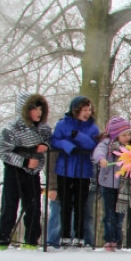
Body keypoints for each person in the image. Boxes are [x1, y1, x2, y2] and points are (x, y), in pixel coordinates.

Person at [0, 93, 51, 249]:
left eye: (40, 108)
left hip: (33, 173)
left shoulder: (44, 128)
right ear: (25, 110)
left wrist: (46, 145)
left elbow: (50, 140)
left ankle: (32, 241)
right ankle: (3, 240)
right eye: (34, 108)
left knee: (34, 207)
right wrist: (24, 161)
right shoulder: (11, 128)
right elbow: (1, 151)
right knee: (10, 206)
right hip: (14, 171)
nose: (38, 112)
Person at [50, 96, 99, 247]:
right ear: (76, 110)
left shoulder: (93, 128)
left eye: (89, 110)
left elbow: (93, 144)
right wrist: (67, 145)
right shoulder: (62, 124)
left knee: (80, 205)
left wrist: (77, 136)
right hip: (64, 169)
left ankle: (79, 236)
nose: (87, 113)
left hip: (83, 171)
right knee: (65, 204)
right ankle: (64, 235)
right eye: (84, 110)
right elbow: (54, 141)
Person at [92, 116, 131, 252]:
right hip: (108, 184)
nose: (127, 137)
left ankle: (117, 240)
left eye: (129, 134)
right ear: (116, 135)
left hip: (123, 186)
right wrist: (102, 159)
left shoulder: (130, 147)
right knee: (109, 214)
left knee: (120, 215)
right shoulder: (106, 144)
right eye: (124, 135)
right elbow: (98, 151)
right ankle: (109, 239)